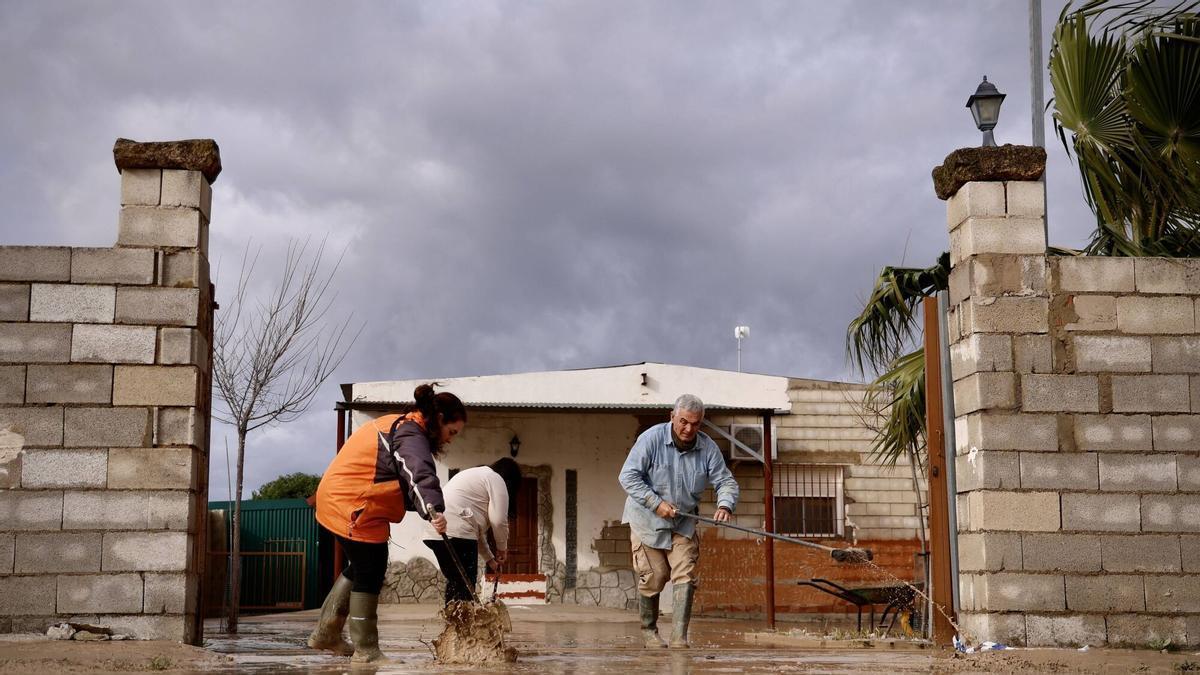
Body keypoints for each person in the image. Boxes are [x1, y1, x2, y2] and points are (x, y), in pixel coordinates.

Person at [307, 384, 467, 664]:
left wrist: (425, 508)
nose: (451, 440)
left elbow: (400, 482)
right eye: (452, 432)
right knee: (370, 569)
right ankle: (366, 651)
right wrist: (433, 509)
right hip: (352, 502)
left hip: (348, 500)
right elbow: (417, 472)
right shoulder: (410, 432)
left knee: (361, 567)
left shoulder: (399, 425)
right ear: (439, 418)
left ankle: (326, 633)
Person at [618, 394, 739, 649]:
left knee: (685, 573)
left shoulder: (707, 448)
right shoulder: (651, 439)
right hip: (646, 521)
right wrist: (656, 504)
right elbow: (627, 477)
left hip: (682, 523)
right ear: (672, 417)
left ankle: (678, 638)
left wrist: (725, 504)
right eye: (683, 421)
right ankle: (649, 631)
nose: (688, 429)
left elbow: (725, 481)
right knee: (656, 576)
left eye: (695, 424)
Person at [423, 456, 522, 604]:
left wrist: (491, 560)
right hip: (457, 531)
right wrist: (502, 549)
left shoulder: (476, 476)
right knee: (465, 585)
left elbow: (475, 531)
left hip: (435, 531)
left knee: (456, 581)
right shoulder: (495, 479)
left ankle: (452, 622)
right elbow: (498, 521)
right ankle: (463, 625)